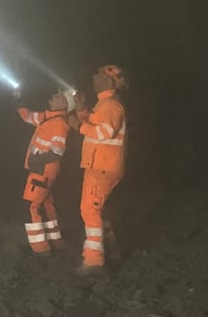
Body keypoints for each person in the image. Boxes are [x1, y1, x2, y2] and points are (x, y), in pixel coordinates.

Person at [70, 65, 128, 274]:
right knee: (99, 210)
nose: (95, 77)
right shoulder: (103, 103)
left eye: (100, 75)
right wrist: (81, 110)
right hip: (100, 165)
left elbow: (103, 132)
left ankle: (94, 261)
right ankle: (113, 253)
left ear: (110, 82)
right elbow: (93, 122)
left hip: (103, 166)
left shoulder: (111, 105)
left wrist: (78, 125)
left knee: (90, 209)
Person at [16, 90, 75, 255]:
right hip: (43, 170)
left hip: (42, 170)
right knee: (46, 205)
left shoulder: (59, 123)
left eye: (58, 97)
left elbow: (57, 151)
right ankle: (56, 242)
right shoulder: (47, 117)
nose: (53, 96)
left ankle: (40, 249)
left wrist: (37, 160)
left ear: (65, 105)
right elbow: (26, 116)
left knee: (31, 205)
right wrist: (19, 99)